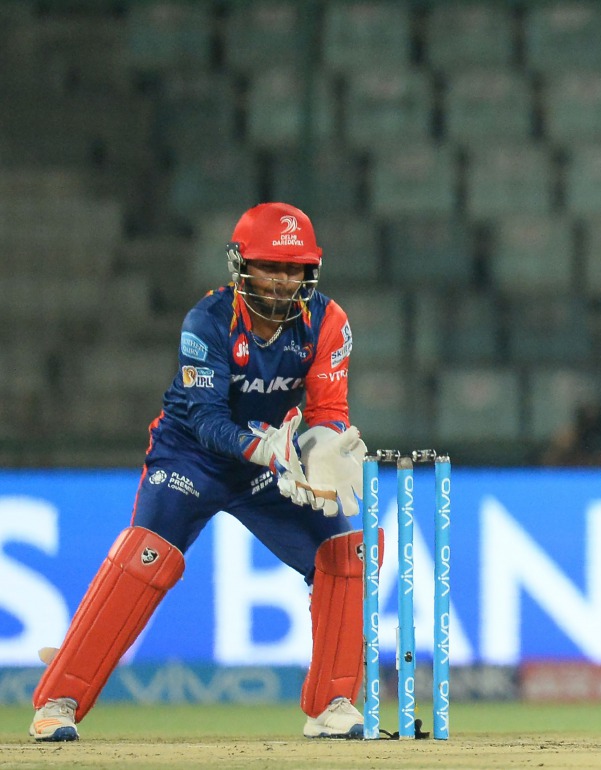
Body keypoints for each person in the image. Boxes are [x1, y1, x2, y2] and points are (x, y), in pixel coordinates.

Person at [29, 202, 369, 742]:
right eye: (270, 267)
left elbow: (328, 408)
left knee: (344, 553)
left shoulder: (329, 321)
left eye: (294, 269)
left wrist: (324, 446)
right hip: (192, 456)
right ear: (241, 265)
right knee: (148, 556)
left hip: (270, 461)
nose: (283, 282)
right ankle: (59, 700)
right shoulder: (206, 321)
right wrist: (261, 449)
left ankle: (333, 704)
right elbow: (206, 418)